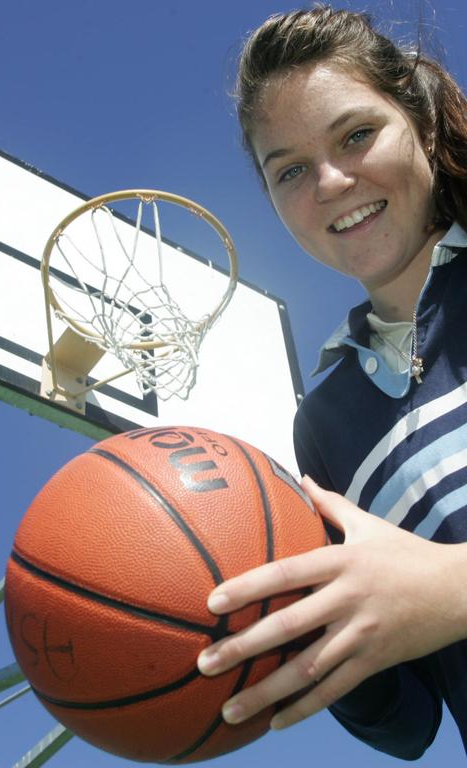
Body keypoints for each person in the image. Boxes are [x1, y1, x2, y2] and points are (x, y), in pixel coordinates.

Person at [196, 4, 467, 760]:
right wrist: (305, 629)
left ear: (422, 122)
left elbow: (435, 600)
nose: (331, 181)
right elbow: (411, 723)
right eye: (289, 170)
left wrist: (448, 589)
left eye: (355, 135)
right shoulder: (326, 422)